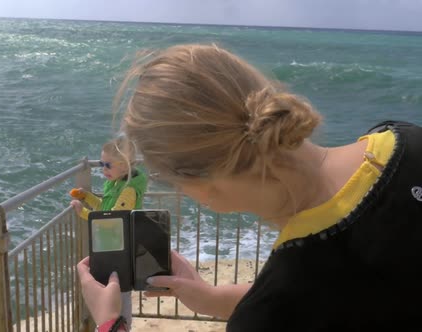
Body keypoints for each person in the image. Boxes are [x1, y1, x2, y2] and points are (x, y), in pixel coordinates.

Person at [76, 43, 422, 332]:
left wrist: (111, 323)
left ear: (202, 187)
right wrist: (212, 299)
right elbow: (349, 295)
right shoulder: (407, 140)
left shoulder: (271, 309)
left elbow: (309, 298)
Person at [69, 136, 148, 331]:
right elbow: (106, 206)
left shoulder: (128, 190)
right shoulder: (117, 184)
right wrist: (87, 197)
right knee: (112, 288)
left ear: (124, 166)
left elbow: (111, 218)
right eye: (102, 164)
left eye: (107, 165)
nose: (103, 169)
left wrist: (83, 213)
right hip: (112, 244)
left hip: (120, 248)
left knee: (119, 291)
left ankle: (119, 327)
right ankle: (110, 325)